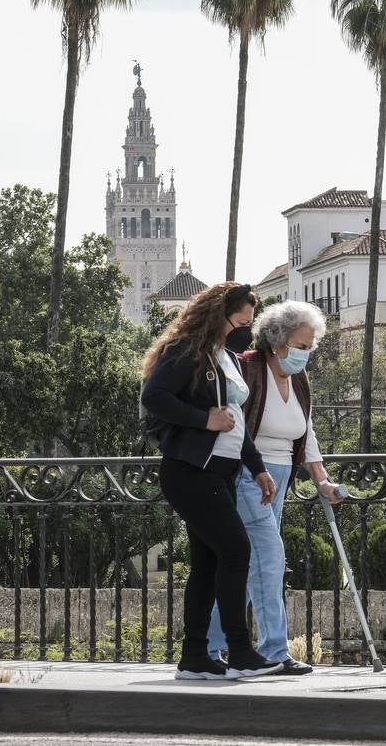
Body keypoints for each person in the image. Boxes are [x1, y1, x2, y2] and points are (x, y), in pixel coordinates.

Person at [140, 282, 283, 681]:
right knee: (237, 550)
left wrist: (257, 467)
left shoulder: (227, 357)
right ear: (220, 314)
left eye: (249, 321)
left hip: (221, 471)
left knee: (208, 563)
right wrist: (205, 420)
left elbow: (236, 421)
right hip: (190, 470)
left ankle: (195, 656)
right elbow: (155, 397)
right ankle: (239, 651)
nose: (246, 327)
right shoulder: (187, 351)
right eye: (242, 319)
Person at [207, 300, 343, 674]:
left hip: (281, 475)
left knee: (244, 561)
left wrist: (322, 480)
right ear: (278, 341)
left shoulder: (298, 378)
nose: (306, 354)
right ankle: (274, 651)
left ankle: (210, 646)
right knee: (270, 558)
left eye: (310, 347)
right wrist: (249, 469)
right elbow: (233, 423)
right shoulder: (247, 368)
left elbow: (307, 433)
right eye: (301, 346)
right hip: (249, 476)